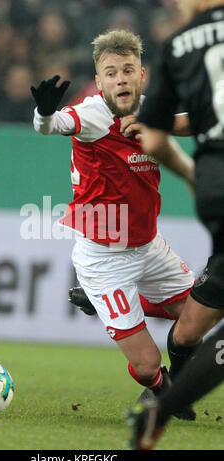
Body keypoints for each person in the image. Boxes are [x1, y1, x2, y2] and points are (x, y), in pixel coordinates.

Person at [31, 29, 196, 417]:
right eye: (111, 72)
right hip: (105, 258)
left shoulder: (154, 109)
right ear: (99, 80)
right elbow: (50, 127)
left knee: (200, 315)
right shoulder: (91, 114)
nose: (120, 78)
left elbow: (186, 122)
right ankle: (159, 388)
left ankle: (103, 303)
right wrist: (44, 113)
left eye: (127, 70)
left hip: (150, 246)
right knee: (147, 366)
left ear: (142, 75)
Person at [127, 0, 224, 450]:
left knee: (187, 332)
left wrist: (189, 174)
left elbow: (156, 135)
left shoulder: (176, 47)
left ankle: (161, 411)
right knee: (186, 331)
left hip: (215, 190)